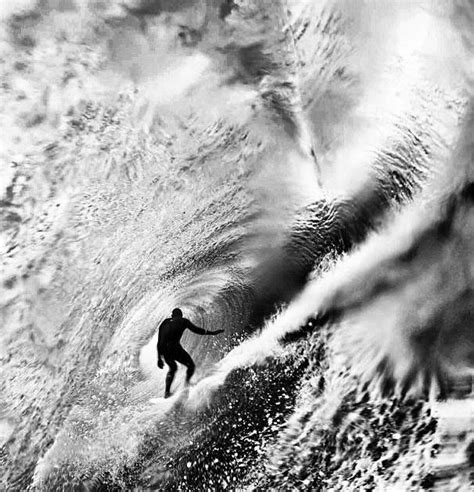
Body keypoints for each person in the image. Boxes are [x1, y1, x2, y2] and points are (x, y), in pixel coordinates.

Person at [156, 308, 224, 398]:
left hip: (164, 349)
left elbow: (160, 340)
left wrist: (159, 358)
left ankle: (167, 392)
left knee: (172, 368)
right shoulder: (183, 321)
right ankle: (186, 385)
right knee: (191, 366)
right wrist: (212, 333)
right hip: (174, 347)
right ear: (181, 315)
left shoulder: (165, 322)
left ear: (173, 315)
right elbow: (196, 330)